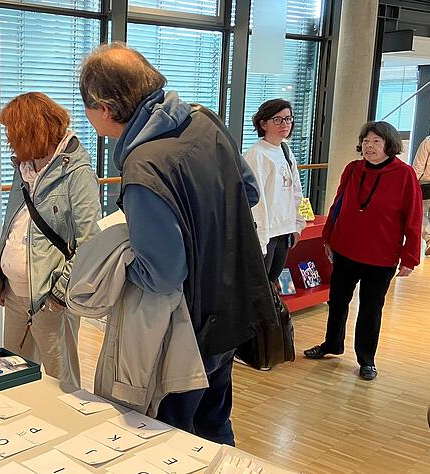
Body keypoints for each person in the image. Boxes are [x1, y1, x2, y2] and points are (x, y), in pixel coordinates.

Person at [78, 43, 276, 445]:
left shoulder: (143, 165)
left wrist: (118, 261)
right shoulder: (205, 122)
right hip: (232, 307)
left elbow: (163, 274)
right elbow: (249, 193)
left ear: (104, 108)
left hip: (187, 328)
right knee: (216, 424)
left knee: (174, 439)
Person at [0, 92, 101, 389]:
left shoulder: (77, 174)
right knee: (12, 379)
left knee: (60, 385)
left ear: (31, 132)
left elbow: (89, 242)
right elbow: (14, 227)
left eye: (12, 133)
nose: (9, 141)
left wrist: (59, 296)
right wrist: (1, 278)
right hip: (15, 295)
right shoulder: (23, 169)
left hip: (51, 302)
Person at [304, 121, 422, 381]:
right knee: (337, 302)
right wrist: (328, 236)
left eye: (376, 142)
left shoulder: (405, 175)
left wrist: (410, 257)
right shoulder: (353, 169)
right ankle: (331, 344)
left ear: (389, 145)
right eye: (366, 141)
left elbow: (413, 217)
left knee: (370, 309)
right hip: (345, 249)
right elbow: (338, 204)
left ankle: (366, 359)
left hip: (382, 256)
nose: (369, 146)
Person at [244, 99, 306, 284]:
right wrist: (261, 239)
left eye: (288, 119)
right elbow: (256, 201)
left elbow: (296, 190)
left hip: (284, 230)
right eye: (277, 119)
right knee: (259, 287)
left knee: (272, 283)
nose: (285, 124)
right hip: (266, 234)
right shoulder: (257, 154)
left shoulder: (285, 150)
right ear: (263, 123)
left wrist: (297, 224)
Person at [412, 116, 430, 255]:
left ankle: (429, 238)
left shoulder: (428, 142)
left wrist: (413, 183)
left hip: (426, 184)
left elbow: (419, 166)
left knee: (419, 214)